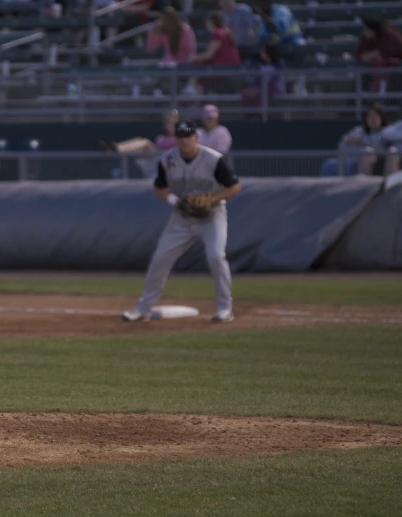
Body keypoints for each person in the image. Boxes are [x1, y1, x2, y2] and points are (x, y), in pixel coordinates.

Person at [122, 119, 241, 324]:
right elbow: (159, 188)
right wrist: (176, 201)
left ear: (196, 137)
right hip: (182, 216)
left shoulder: (212, 159)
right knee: (160, 258)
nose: (185, 141)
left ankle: (224, 309)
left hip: (212, 214)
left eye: (188, 136)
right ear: (176, 139)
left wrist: (210, 200)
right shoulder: (167, 159)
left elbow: (234, 186)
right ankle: (143, 308)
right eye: (181, 137)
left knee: (216, 256)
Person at [319, 104, 399, 177]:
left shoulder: (388, 132)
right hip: (352, 160)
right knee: (328, 165)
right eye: (370, 116)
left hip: (375, 164)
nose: (373, 119)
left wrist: (362, 141)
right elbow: (342, 145)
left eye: (375, 116)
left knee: (367, 153)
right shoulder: (358, 131)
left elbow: (379, 147)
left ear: (381, 118)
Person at [97, 109, 180, 177]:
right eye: (168, 122)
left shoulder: (181, 137)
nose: (170, 125)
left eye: (173, 123)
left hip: (169, 163)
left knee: (145, 143)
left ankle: (116, 149)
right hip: (156, 161)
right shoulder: (160, 138)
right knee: (139, 141)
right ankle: (115, 149)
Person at [241, 42, 286, 108]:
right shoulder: (260, 65)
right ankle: (249, 115)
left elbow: (274, 80)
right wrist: (252, 88)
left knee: (261, 94)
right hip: (262, 89)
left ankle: (260, 115)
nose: (261, 53)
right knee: (246, 94)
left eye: (263, 51)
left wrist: (260, 89)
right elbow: (256, 80)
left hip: (275, 88)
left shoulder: (279, 64)